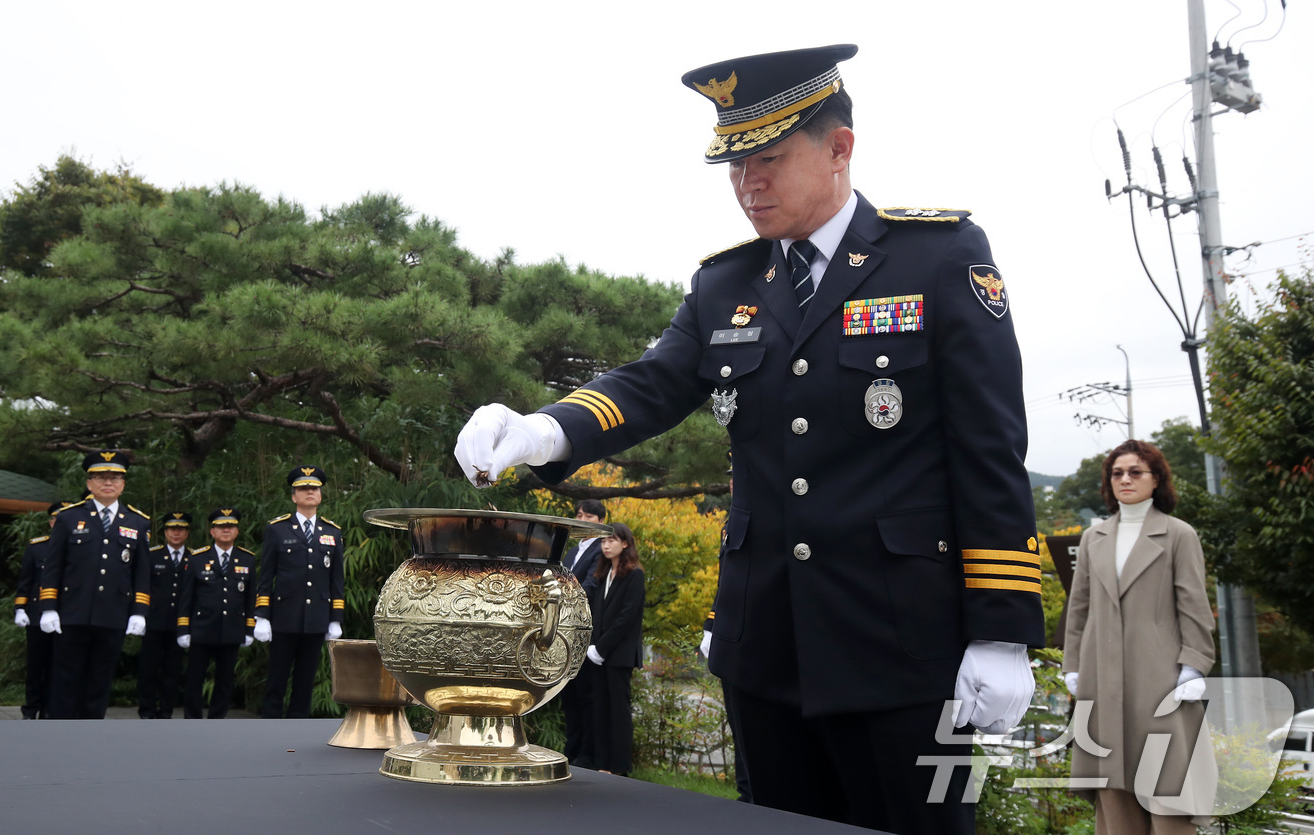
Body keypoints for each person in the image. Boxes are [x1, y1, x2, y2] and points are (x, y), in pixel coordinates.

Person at [454, 44, 1042, 832]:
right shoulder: (727, 283)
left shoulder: (936, 258)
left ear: (840, 148)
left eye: (768, 158)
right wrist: (541, 428)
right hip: (766, 646)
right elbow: (653, 383)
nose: (747, 184)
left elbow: (989, 449)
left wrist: (1002, 628)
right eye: (734, 166)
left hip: (903, 648)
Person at [1063, 440, 1216, 834]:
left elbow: (1194, 607)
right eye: (1117, 473)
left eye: (1135, 472)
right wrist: (1073, 667)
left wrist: (1194, 666)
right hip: (1102, 680)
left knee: (1169, 789)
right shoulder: (1093, 539)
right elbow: (1078, 610)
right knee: (1113, 791)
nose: (1125, 479)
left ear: (1156, 479)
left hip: (1160, 679)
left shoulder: (1179, 535)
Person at [39, 451, 152, 719]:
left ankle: (91, 735)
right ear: (89, 484)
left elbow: (142, 572)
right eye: (101, 477)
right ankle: (61, 731)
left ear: (123, 484)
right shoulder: (68, 518)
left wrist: (139, 611)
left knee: (100, 678)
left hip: (113, 612)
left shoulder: (138, 521)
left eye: (115, 478)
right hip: (71, 612)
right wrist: (48, 607)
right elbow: (53, 566)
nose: (108, 483)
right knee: (65, 677)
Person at [253, 466, 345, 718]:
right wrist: (261, 615)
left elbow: (337, 579)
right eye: (303, 489)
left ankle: (297, 727)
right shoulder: (277, 529)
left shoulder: (332, 532)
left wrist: (335, 618)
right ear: (294, 496)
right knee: (277, 678)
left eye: (313, 488)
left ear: (320, 495)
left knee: (305, 681)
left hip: (316, 618)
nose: (309, 492)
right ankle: (269, 724)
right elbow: (266, 575)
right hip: (283, 616)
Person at [178, 508, 255, 719]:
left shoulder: (247, 560)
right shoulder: (197, 558)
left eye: (230, 527)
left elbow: (250, 598)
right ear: (212, 531)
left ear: (237, 532)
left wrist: (249, 629)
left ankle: (217, 719)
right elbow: (186, 598)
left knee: (225, 679)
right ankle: (192, 719)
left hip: (231, 628)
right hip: (202, 629)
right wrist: (183, 628)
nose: (226, 530)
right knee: (195, 678)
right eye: (221, 527)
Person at [583, 522, 646, 776]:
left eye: (611, 541)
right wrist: (593, 645)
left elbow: (626, 617)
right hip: (598, 653)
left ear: (625, 544)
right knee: (600, 708)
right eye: (603, 541)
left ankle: (620, 767)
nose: (606, 545)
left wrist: (603, 647)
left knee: (619, 711)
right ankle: (603, 763)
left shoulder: (635, 574)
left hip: (619, 654)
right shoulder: (603, 573)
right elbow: (598, 613)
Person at [13, 499, 74, 719]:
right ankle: (31, 709)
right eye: (57, 519)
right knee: (36, 666)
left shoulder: (80, 548)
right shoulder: (37, 546)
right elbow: (26, 582)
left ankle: (51, 710)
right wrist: (20, 609)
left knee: (59, 667)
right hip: (38, 614)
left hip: (67, 616)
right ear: (51, 522)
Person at [559, 498, 606, 766]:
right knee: (570, 695)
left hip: (588, 630)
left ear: (600, 521)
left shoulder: (600, 549)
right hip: (567, 631)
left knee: (587, 696)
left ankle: (587, 753)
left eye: (589, 516)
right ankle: (571, 749)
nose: (583, 519)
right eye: (579, 514)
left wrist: (564, 598)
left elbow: (589, 585)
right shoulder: (572, 551)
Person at [138, 512, 193, 718]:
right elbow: (143, 586)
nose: (176, 533)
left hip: (180, 623)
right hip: (154, 621)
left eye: (180, 529)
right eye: (172, 529)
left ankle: (166, 711)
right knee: (148, 670)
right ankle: (146, 710)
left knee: (172, 671)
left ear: (187, 533)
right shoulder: (152, 555)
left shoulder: (194, 557)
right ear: (165, 532)